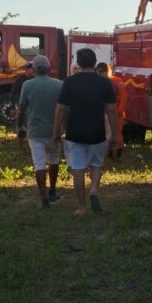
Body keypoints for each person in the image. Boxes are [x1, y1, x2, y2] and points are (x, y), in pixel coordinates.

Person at [53, 47, 117, 216]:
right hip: (97, 133)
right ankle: (94, 189)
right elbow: (111, 110)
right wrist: (115, 135)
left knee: (78, 170)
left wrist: (57, 132)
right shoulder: (105, 83)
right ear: (95, 62)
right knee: (96, 165)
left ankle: (82, 207)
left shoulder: (70, 82)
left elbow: (61, 109)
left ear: (79, 63)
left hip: (75, 133)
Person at [16, 55, 63, 209]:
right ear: (49, 68)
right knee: (54, 160)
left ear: (34, 69)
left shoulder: (27, 85)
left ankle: (43, 198)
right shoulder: (59, 84)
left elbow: (21, 109)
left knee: (39, 163)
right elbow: (64, 109)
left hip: (35, 130)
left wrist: (19, 128)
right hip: (54, 130)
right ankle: (53, 190)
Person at [96, 62, 126, 157]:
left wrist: (119, 110)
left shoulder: (117, 81)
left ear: (107, 71)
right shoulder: (99, 82)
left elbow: (123, 97)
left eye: (102, 71)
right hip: (104, 113)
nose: (100, 74)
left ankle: (117, 152)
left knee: (116, 132)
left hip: (116, 112)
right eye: (98, 71)